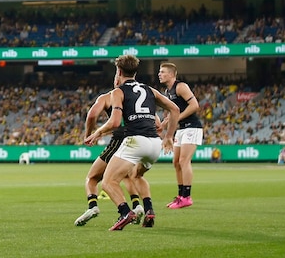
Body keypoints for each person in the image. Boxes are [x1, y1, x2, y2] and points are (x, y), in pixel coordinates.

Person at [85, 54, 179, 231]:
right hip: (154, 144)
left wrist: (97, 132)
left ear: (118, 71)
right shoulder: (149, 90)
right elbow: (174, 109)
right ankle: (149, 210)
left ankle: (125, 212)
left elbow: (114, 122)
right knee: (137, 175)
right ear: (135, 72)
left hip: (135, 141)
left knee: (108, 181)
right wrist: (168, 137)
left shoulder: (117, 92)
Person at [75, 71, 143, 226]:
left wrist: (89, 134)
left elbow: (92, 115)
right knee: (126, 176)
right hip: (138, 139)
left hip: (119, 139)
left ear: (118, 77)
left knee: (92, 177)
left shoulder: (108, 97)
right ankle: (137, 205)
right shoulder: (138, 95)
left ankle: (93, 206)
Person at [158, 61, 203, 209]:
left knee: (184, 161)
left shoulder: (180, 86)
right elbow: (173, 113)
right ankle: (180, 196)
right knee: (176, 162)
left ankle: (187, 197)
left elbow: (194, 105)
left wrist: (177, 118)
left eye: (163, 72)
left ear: (171, 74)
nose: (160, 74)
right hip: (181, 129)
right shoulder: (167, 92)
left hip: (192, 127)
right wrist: (164, 123)